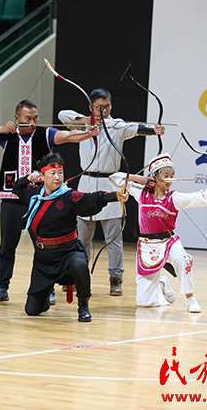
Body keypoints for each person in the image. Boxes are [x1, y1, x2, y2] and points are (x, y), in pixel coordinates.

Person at [0, 100, 98, 304]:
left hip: (40, 200)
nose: (32, 122)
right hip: (11, 199)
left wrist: (87, 134)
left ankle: (47, 287)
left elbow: (67, 136)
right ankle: (1, 287)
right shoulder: (7, 136)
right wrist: (2, 128)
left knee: (45, 246)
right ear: (17, 119)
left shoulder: (46, 134)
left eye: (35, 118)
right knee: (7, 246)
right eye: (27, 119)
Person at [58, 88, 165, 296]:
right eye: (99, 107)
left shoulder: (117, 125)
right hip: (87, 184)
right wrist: (88, 119)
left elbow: (136, 128)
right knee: (82, 238)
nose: (104, 111)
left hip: (110, 183)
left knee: (113, 238)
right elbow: (62, 114)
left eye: (107, 107)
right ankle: (78, 275)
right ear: (91, 107)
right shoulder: (82, 124)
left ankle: (116, 278)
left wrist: (154, 130)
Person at [109, 153, 207, 313]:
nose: (170, 180)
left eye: (172, 176)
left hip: (168, 242)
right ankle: (161, 285)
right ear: (154, 177)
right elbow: (114, 178)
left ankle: (190, 299)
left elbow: (199, 197)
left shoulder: (174, 198)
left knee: (184, 259)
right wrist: (141, 180)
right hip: (147, 245)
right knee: (144, 303)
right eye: (165, 176)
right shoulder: (142, 192)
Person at [13, 152, 127, 321]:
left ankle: (83, 306)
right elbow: (17, 188)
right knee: (32, 310)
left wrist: (115, 196)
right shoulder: (34, 195)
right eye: (52, 174)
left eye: (60, 173)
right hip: (44, 259)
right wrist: (28, 179)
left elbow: (91, 198)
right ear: (42, 176)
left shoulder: (69, 196)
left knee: (80, 265)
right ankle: (43, 297)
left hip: (68, 252)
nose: (57, 177)